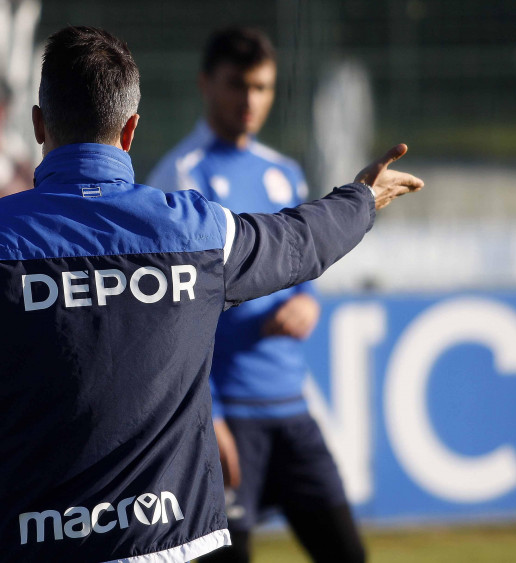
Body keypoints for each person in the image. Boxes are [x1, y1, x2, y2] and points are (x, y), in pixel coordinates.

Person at [0, 25, 421, 563]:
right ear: (130, 131)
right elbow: (301, 242)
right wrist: (361, 199)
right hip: (179, 543)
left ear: (38, 123)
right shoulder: (195, 231)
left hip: (27, 545)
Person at [148, 27, 367, 563]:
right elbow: (164, 318)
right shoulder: (178, 177)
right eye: (238, 85)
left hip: (292, 408)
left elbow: (301, 269)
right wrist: (209, 415)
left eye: (263, 88)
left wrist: (309, 303)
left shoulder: (283, 172)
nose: (251, 100)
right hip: (226, 417)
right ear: (206, 84)